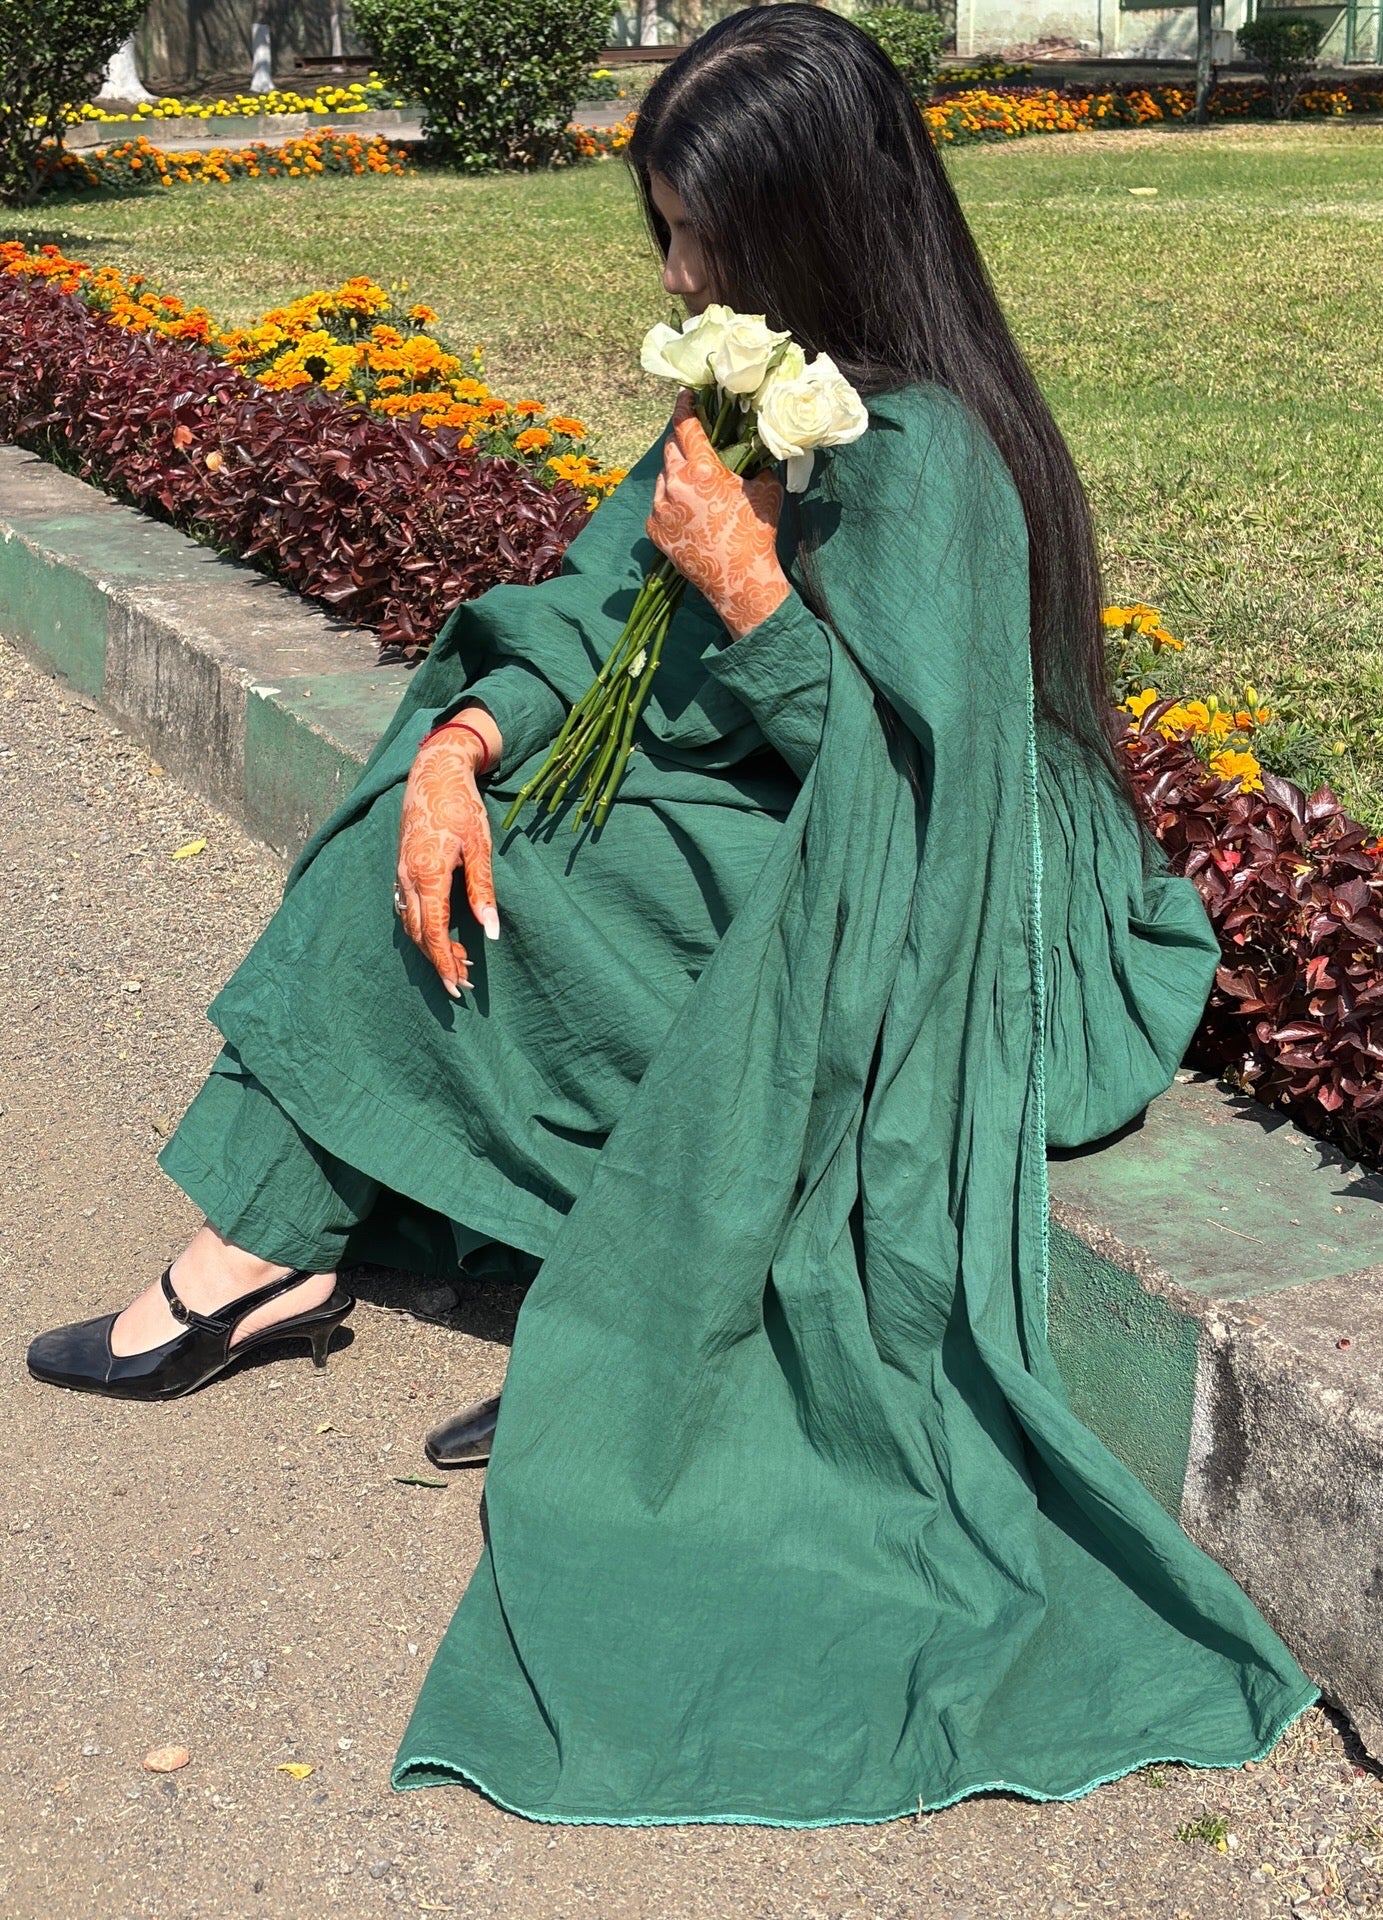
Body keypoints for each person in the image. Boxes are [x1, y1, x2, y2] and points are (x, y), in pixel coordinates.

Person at [27, 4, 1316, 1826]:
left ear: (808, 227)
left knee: (559, 888)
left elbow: (911, 798)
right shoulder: (758, 383)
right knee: (450, 805)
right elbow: (591, 596)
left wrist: (758, 597)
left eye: (696, 234)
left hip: (947, 913)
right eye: (667, 234)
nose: (678, 269)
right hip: (792, 835)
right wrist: (475, 731)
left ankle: (373, 1281)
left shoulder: (932, 451)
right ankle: (296, 1251)